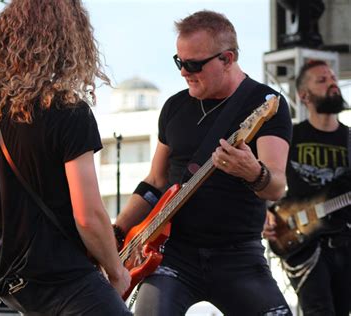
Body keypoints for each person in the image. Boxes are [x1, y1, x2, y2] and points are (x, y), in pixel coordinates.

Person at [0, 0, 131, 315]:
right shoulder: (68, 110)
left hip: (11, 278)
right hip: (63, 276)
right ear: (69, 42)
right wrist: (116, 272)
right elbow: (88, 214)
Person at [114, 10, 293, 315]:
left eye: (194, 64)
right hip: (173, 255)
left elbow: (275, 186)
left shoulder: (265, 104)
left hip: (239, 257)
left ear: (227, 58)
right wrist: (118, 231)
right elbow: (155, 182)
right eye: (179, 61)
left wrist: (253, 172)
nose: (184, 71)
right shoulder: (173, 107)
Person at [263, 60, 350, 316]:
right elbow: (262, 175)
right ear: (304, 96)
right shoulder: (290, 135)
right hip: (299, 236)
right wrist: (265, 211)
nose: (332, 82)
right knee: (318, 310)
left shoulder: (349, 138)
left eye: (333, 78)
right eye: (322, 80)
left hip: (344, 239)